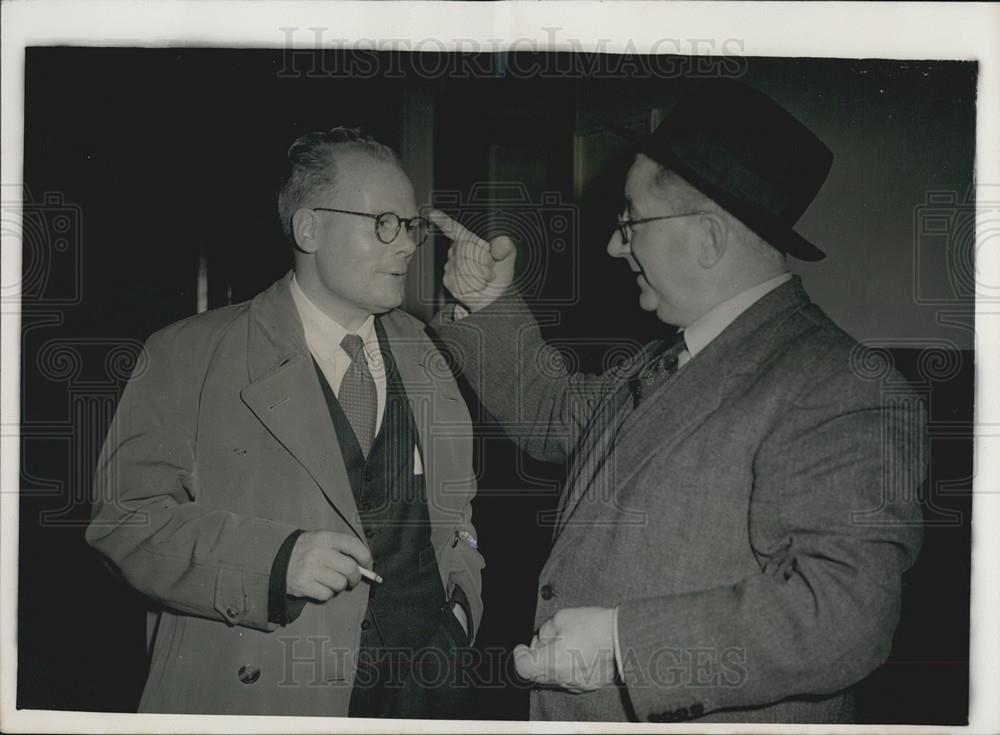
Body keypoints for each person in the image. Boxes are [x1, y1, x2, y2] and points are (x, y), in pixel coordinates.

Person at [429, 80, 924, 723]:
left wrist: (618, 646)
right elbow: (552, 413)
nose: (614, 244)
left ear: (709, 239)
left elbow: (841, 614)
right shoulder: (670, 357)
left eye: (631, 220)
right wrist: (490, 299)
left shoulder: (843, 387)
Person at [86, 128, 483, 718]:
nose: (407, 246)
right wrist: (273, 563)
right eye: (384, 223)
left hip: (426, 689)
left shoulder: (428, 350)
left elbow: (456, 513)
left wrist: (458, 611)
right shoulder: (189, 354)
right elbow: (125, 522)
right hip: (273, 691)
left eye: (411, 226)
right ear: (309, 228)